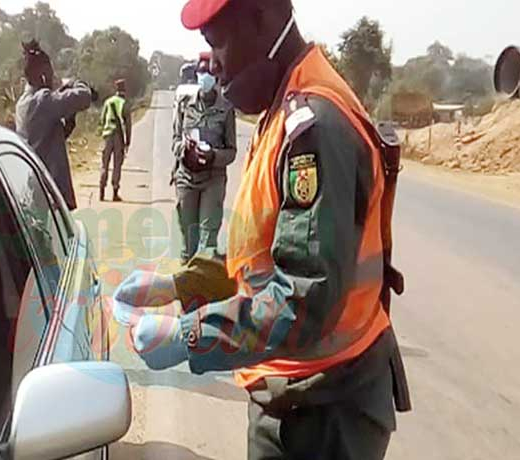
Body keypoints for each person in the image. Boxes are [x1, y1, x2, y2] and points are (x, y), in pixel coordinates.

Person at [113, 0, 411, 459]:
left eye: (220, 42)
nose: (214, 64)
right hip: (297, 392)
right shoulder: (282, 108)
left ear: (268, 18)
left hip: (326, 409)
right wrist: (181, 284)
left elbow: (300, 299)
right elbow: (261, 257)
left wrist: (189, 335)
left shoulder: (313, 126)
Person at [15, 39, 95, 211]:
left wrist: (66, 127)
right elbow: (84, 96)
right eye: (50, 72)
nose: (53, 76)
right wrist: (75, 82)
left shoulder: (23, 102)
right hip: (49, 194)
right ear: (43, 74)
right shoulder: (42, 100)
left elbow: (44, 138)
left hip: (34, 187)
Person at [171, 56, 237, 263]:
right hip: (186, 177)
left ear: (216, 77)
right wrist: (185, 149)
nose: (203, 77)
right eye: (200, 72)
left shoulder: (226, 109)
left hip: (213, 179)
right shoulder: (184, 105)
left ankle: (206, 291)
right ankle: (187, 289)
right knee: (188, 242)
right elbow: (175, 141)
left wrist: (213, 156)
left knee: (208, 242)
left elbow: (232, 151)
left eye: (208, 73)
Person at [99, 79, 133, 202]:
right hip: (118, 137)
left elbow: (102, 119)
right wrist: (128, 141)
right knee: (117, 165)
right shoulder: (124, 104)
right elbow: (128, 124)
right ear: (125, 90)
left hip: (107, 135)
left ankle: (101, 191)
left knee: (104, 164)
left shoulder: (108, 102)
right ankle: (115, 192)